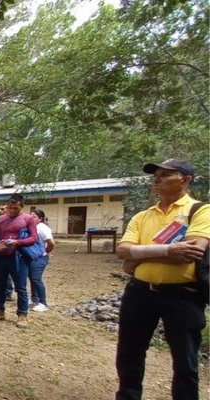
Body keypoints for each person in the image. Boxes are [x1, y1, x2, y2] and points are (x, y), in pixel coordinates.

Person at [115, 159, 209, 400]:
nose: (157, 179)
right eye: (155, 175)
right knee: (129, 353)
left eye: (166, 175)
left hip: (182, 296)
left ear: (185, 180)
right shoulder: (142, 216)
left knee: (185, 361)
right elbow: (123, 251)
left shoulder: (201, 211)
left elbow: (191, 253)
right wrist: (169, 251)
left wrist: (139, 255)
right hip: (139, 293)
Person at [0, 194, 37, 328]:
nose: (12, 211)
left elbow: (33, 238)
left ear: (21, 206)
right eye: (10, 208)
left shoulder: (28, 219)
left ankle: (22, 315)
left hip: (18, 257)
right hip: (1, 255)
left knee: (20, 287)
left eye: (16, 208)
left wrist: (17, 242)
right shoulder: (0, 219)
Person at [29, 209, 55, 312]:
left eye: (34, 216)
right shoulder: (33, 227)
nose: (31, 218)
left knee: (36, 278)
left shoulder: (42, 228)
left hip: (40, 257)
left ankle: (43, 302)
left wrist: (46, 251)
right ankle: (34, 299)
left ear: (40, 218)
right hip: (33, 256)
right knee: (32, 278)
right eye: (30, 216)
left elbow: (51, 242)